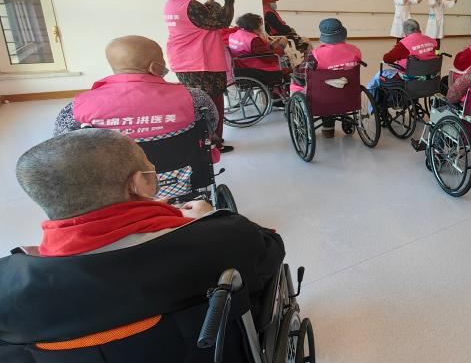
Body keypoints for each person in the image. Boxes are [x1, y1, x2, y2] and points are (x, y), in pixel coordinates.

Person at [1, 130, 285, 340]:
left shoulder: (11, 286)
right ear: (138, 184)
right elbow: (271, 249)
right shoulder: (222, 236)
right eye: (149, 165)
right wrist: (207, 220)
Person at [53, 36, 219, 199]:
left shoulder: (77, 108)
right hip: (181, 180)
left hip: (114, 191)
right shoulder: (195, 98)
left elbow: (66, 147)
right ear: (155, 67)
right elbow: (210, 125)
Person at [161, 0, 234, 151]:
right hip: (202, 62)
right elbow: (222, 21)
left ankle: (202, 143)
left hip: (183, 61)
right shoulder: (190, 6)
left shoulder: (172, 4)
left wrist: (209, 3)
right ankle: (213, 145)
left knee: (197, 105)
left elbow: (200, 20)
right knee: (212, 104)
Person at [290, 19, 363, 137]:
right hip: (347, 94)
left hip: (322, 99)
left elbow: (302, 73)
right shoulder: (355, 51)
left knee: (297, 84)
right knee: (333, 88)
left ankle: (326, 127)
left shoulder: (316, 54)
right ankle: (333, 122)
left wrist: (294, 71)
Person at [368, 19, 437, 101]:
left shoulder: (404, 44)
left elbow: (387, 59)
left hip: (410, 78)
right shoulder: (431, 41)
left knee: (378, 76)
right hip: (430, 77)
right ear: (419, 29)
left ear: (405, 32)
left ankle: (372, 106)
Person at [227, 14, 288, 90]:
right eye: (260, 24)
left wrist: (270, 46)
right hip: (258, 70)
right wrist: (281, 46)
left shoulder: (234, 35)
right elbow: (268, 58)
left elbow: (251, 51)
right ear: (254, 25)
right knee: (289, 72)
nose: (261, 26)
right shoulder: (253, 39)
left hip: (241, 68)